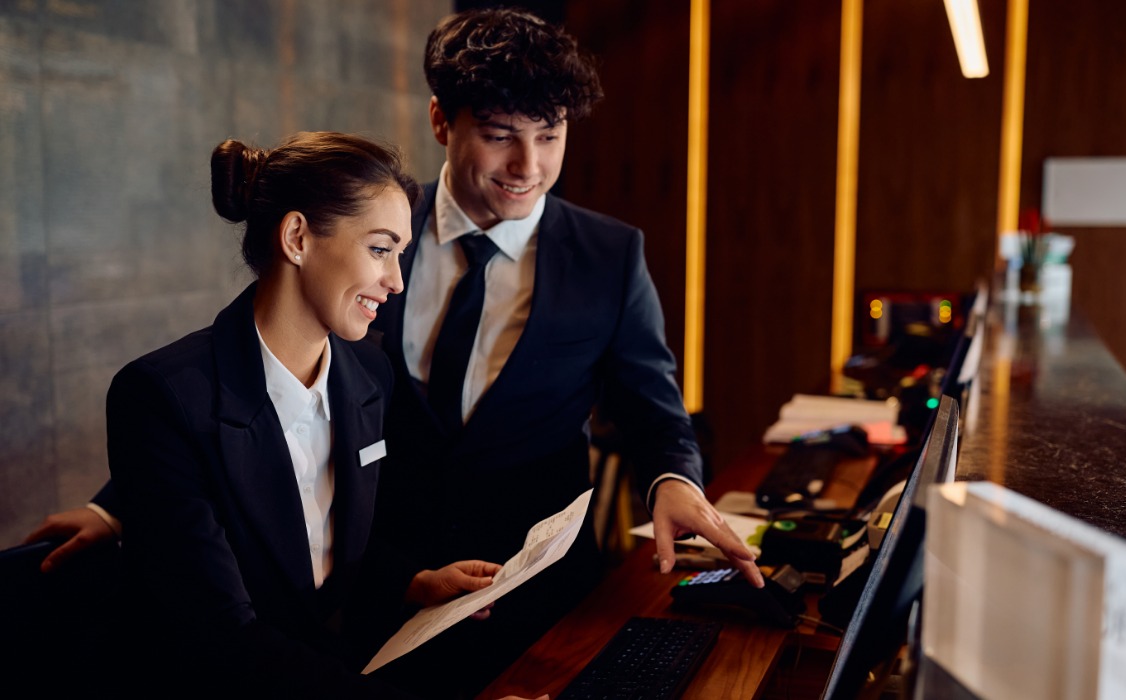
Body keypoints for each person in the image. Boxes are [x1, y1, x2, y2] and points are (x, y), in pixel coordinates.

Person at [24, 8, 763, 696]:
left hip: (524, 588)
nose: (528, 164)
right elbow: (238, 394)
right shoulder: (362, 216)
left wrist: (674, 478)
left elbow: (652, 406)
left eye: (551, 135)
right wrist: (129, 508)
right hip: (372, 591)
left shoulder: (608, 255)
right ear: (443, 120)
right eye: (502, 132)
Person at [90, 131, 539, 700]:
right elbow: (223, 638)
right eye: (380, 249)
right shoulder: (160, 397)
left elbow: (322, 542)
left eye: (400, 254)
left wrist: (413, 582)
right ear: (298, 237)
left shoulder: (369, 374)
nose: (396, 281)